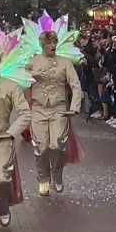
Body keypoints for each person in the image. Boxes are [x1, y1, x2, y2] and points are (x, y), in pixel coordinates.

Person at [24, 20, 83, 195]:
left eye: (54, 42)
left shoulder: (65, 63)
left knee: (57, 145)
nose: (52, 45)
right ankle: (43, 177)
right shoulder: (32, 62)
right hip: (38, 108)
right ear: (42, 45)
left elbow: (76, 85)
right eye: (49, 42)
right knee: (41, 147)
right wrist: (33, 75)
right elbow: (22, 82)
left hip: (59, 108)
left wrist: (75, 106)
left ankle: (57, 172)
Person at [0, 46, 32, 227]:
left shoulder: (10, 85)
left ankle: (2, 202)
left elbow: (25, 114)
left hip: (1, 140)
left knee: (0, 178)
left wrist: (12, 133)